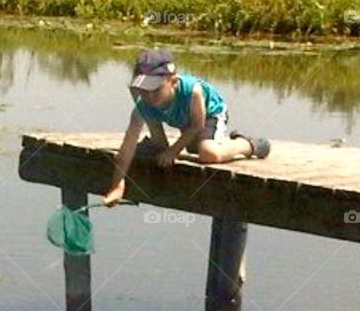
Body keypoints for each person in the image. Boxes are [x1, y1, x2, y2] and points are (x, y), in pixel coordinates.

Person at [104, 49, 270, 206]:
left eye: (156, 89)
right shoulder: (144, 103)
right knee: (162, 149)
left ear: (173, 82)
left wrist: (173, 151)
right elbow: (126, 148)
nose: (149, 95)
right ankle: (157, 143)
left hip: (209, 114)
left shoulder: (193, 91)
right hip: (181, 119)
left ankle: (248, 144)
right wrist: (117, 186)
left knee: (208, 153)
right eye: (144, 89)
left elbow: (197, 125)